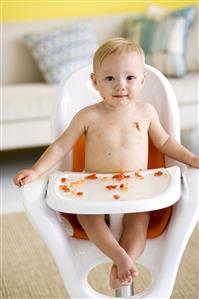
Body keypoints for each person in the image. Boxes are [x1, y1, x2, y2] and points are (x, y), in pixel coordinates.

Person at [13, 37, 199, 289]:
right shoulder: (88, 115)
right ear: (95, 82)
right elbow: (60, 145)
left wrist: (191, 158)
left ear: (142, 80)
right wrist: (36, 171)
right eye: (110, 78)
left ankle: (124, 263)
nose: (120, 85)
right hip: (93, 188)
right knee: (88, 219)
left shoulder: (146, 112)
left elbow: (165, 143)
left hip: (137, 187)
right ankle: (118, 255)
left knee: (139, 222)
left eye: (130, 78)